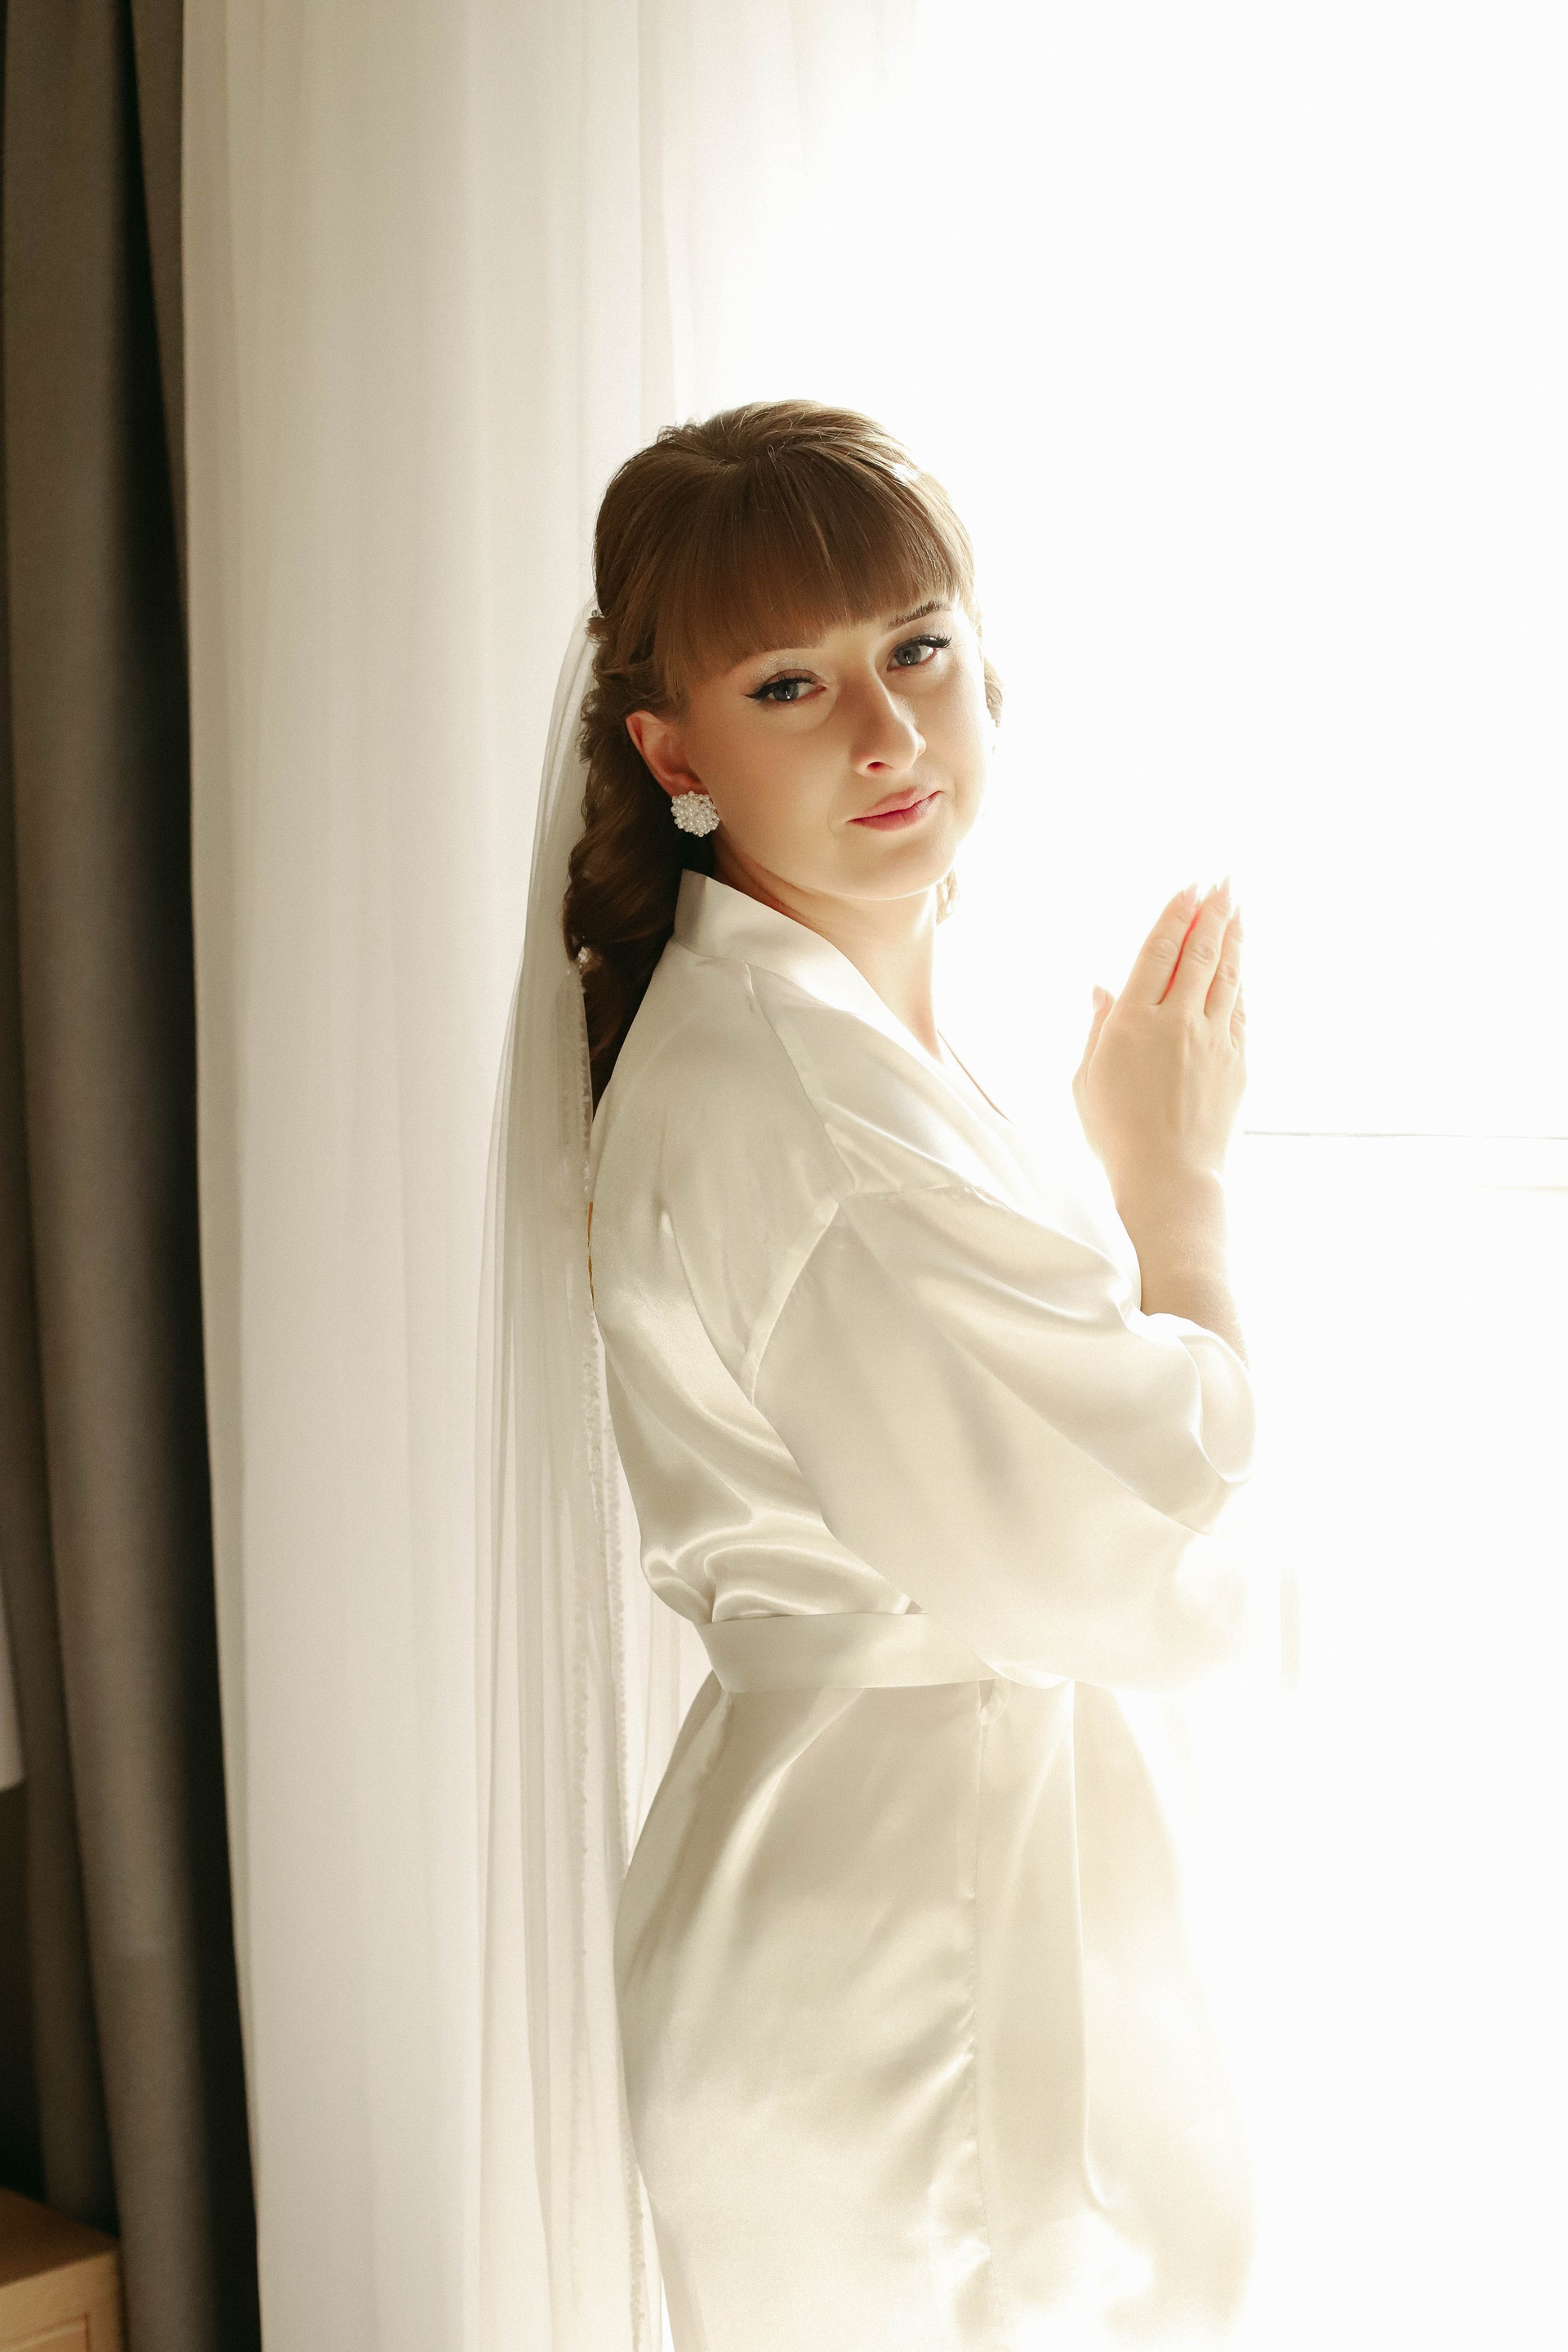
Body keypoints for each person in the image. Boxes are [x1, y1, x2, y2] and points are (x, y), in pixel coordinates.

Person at [484, 399, 1263, 2352]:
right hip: (904, 1981)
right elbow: (1141, 1559)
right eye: (790, 684)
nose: (887, 731)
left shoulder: (823, 1044)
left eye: (915, 647)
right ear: (673, 752)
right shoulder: (806, 1107)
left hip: (890, 1910)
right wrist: (1176, 1198)